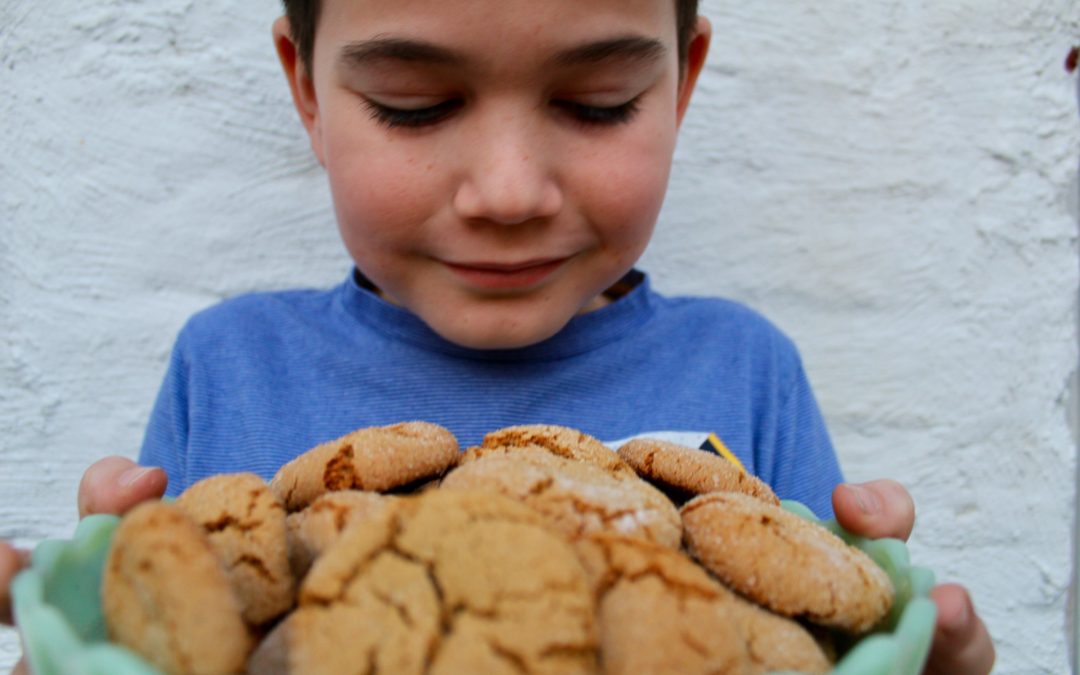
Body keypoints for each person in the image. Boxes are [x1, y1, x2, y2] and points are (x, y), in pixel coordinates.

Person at [1, 0, 994, 672]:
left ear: (682, 83)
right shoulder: (228, 364)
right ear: (304, 89)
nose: (510, 193)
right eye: (414, 106)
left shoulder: (745, 367)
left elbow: (816, 614)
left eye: (598, 104)